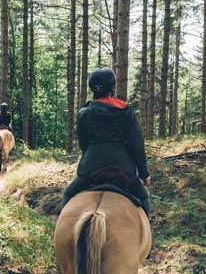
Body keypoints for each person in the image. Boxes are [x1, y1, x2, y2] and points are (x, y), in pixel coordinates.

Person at [62, 68, 152, 214]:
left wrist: (91, 157)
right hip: (123, 167)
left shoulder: (83, 113)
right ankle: (148, 235)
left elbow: (84, 144)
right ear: (112, 87)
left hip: (91, 167)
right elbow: (136, 144)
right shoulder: (125, 110)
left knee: (67, 193)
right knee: (144, 197)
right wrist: (143, 173)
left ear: (92, 88)